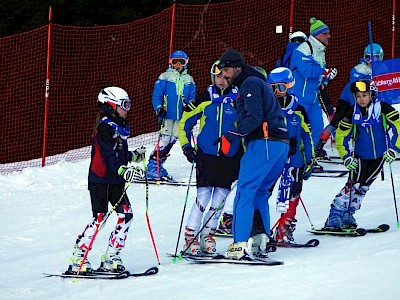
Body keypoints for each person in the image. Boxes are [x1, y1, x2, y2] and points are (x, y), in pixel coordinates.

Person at [215, 49, 290, 260]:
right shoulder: (256, 82)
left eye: (227, 70)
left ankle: (239, 244)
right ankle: (260, 241)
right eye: (222, 70)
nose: (225, 75)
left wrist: (231, 135)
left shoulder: (250, 83)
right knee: (260, 193)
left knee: (245, 191)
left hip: (264, 142)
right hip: (279, 143)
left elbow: (254, 117)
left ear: (238, 68)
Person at [66, 87, 146, 275]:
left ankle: (111, 257)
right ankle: (79, 258)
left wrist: (133, 156)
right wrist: (122, 169)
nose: (128, 109)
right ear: (111, 106)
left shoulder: (119, 127)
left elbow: (119, 153)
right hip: (100, 180)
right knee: (99, 218)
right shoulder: (104, 128)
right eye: (124, 105)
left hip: (115, 180)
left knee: (126, 215)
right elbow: (108, 154)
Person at [178, 60, 242, 255]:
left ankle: (208, 234)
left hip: (229, 156)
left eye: (225, 77)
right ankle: (191, 235)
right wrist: (187, 147)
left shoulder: (237, 98)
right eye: (217, 77)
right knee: (203, 198)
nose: (221, 81)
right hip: (206, 155)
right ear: (212, 77)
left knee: (220, 199)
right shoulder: (204, 98)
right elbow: (184, 123)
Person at [323, 79, 400, 230]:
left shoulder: (383, 108)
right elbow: (341, 137)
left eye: (364, 95)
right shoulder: (352, 112)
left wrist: (395, 149)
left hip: (379, 156)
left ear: (372, 94)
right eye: (358, 96)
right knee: (353, 185)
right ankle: (335, 214)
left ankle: (349, 214)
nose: (361, 99)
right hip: (359, 157)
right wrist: (346, 157)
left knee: (364, 187)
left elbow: (399, 127)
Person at [266, 67, 314, 243]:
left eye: (280, 87)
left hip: (294, 160)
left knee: (293, 192)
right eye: (272, 88)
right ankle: (260, 229)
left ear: (289, 86)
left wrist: (309, 160)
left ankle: (284, 228)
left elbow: (307, 136)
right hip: (272, 159)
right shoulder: (268, 108)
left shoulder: (298, 110)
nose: (277, 92)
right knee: (264, 192)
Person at [315, 43, 385, 160]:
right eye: (368, 57)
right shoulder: (360, 68)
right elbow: (357, 84)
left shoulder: (382, 69)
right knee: (336, 122)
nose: (371, 61)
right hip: (348, 99)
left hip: (366, 102)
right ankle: (319, 146)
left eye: (375, 58)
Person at [147, 50, 196, 181]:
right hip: (168, 114)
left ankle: (158, 165)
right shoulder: (165, 77)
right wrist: (158, 108)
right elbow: (157, 94)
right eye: (175, 62)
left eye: (181, 62)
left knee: (173, 140)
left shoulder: (189, 80)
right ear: (171, 63)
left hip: (181, 115)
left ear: (186, 63)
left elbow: (192, 97)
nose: (178, 64)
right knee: (164, 139)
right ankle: (152, 167)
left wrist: (190, 108)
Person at [290, 17, 338, 148]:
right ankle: (297, 159)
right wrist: (324, 72)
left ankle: (311, 158)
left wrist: (327, 78)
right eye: (325, 33)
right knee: (298, 130)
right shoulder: (302, 49)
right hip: (299, 98)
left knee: (317, 128)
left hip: (313, 98)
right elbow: (306, 71)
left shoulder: (320, 50)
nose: (329, 36)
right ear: (316, 35)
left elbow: (320, 76)